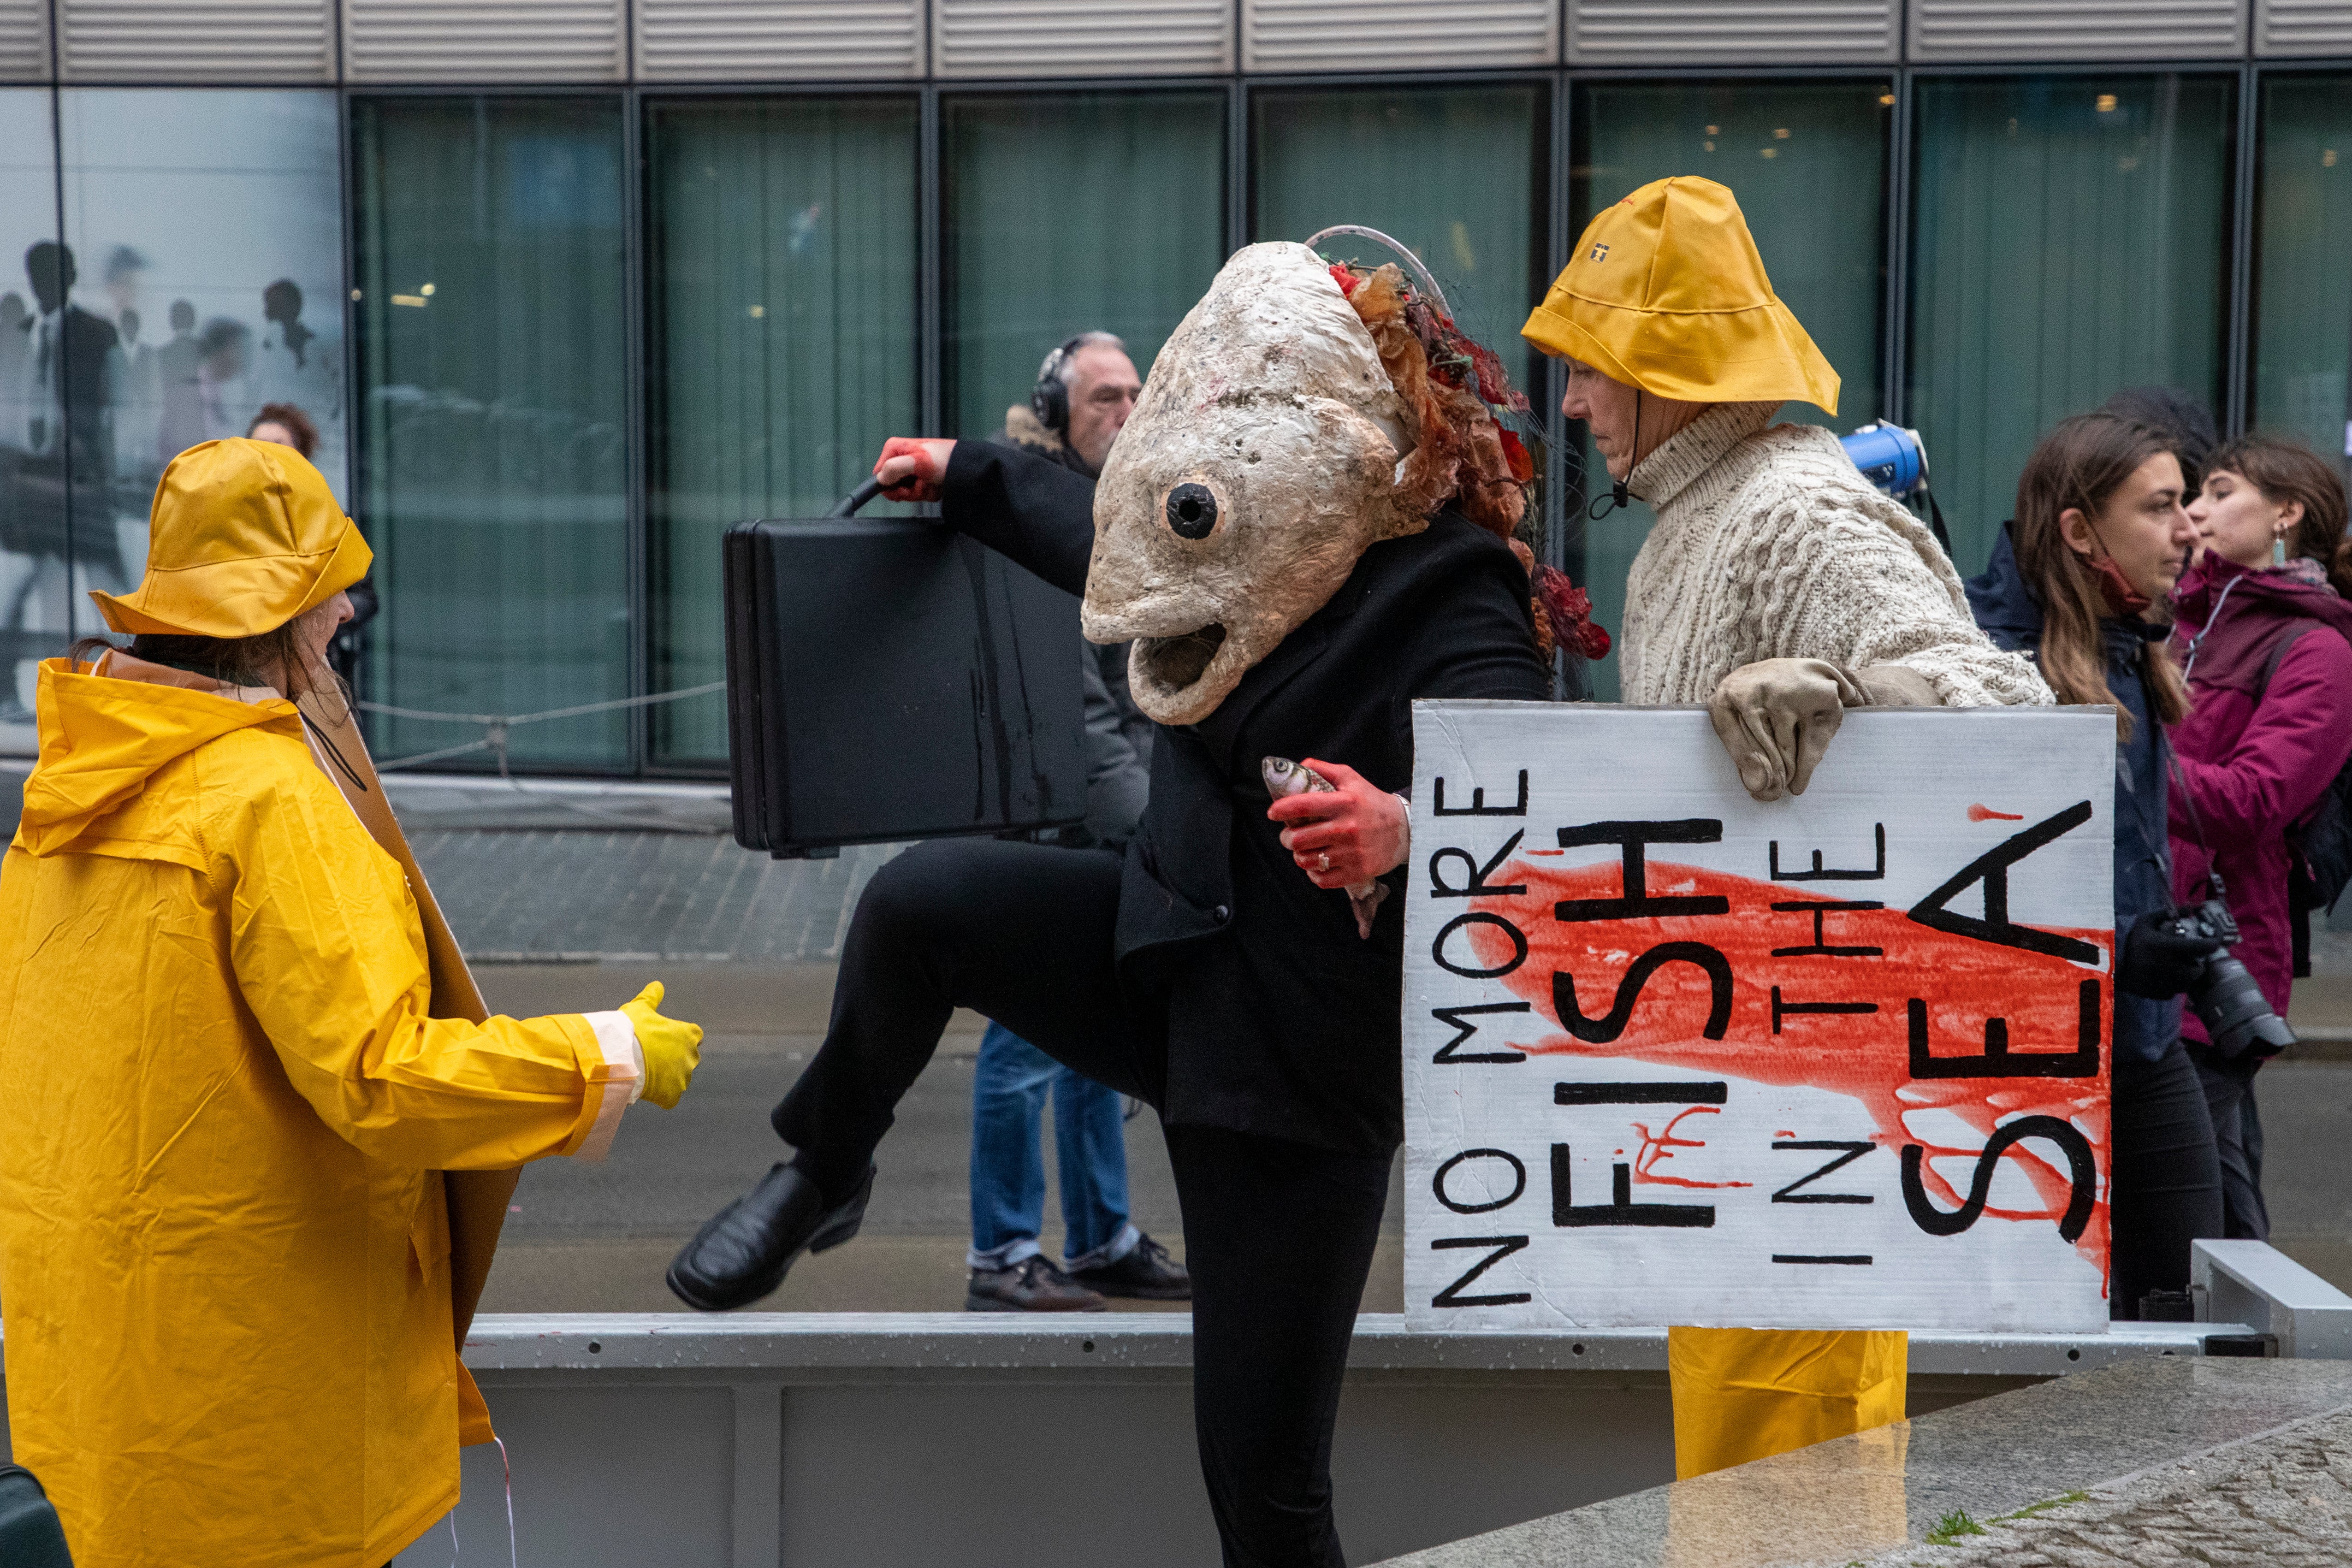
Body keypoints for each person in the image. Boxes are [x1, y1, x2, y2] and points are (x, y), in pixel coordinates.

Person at [671, 240, 1551, 1563]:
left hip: (1294, 1066)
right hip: (1165, 953)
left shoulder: (1453, 589)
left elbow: (1536, 796)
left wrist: (1403, 828)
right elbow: (1102, 528)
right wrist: (960, 470)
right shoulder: (1243, 528)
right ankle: (822, 1168)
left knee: (1261, 1482)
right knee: (926, 904)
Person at [0, 437, 708, 1567]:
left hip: (105, 1421)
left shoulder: (63, 799)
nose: (341, 623)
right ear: (283, 613)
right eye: (330, 603)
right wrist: (602, 1052)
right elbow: (380, 1075)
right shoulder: (269, 800)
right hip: (264, 1424)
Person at [1521, 174, 2053, 1480]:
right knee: (1746, 1491)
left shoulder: (1793, 511)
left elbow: (2007, 701)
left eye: (1593, 368)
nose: (1575, 402)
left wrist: (1851, 690)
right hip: (1743, 1113)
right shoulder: (1695, 522)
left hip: (1813, 1134)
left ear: (1670, 369)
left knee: (1788, 1497)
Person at [1965, 410, 2223, 1318]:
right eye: (2160, 507)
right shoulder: (1985, 670)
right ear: (2080, 531)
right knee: (2050, 1328)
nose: (2189, 529)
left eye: (2186, 503)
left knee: (2189, 1295)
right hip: (2030, 1061)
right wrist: (2121, 951)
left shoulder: (2129, 646)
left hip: (2140, 1036)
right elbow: (1966, 899)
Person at [961, 333, 1189, 1312]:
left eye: (1137, 394)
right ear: (1054, 410)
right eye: (1103, 398)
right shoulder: (1042, 522)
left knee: (1095, 1038)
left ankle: (1099, 1238)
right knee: (1021, 1050)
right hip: (1056, 821)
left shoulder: (1111, 512)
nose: (1126, 413)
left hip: (1102, 817)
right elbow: (1085, 720)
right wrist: (1156, 834)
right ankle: (1001, 1254)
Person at [2167, 436, 2352, 1240]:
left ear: (2286, 512)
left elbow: (2251, 801)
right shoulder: (2180, 618)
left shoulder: (2318, 649)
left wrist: (2122, 764)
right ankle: (2254, 1353)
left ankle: (2244, 1358)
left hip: (2219, 956)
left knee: (2191, 1197)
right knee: (2210, 1183)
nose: (2193, 512)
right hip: (2153, 944)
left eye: (2216, 491)